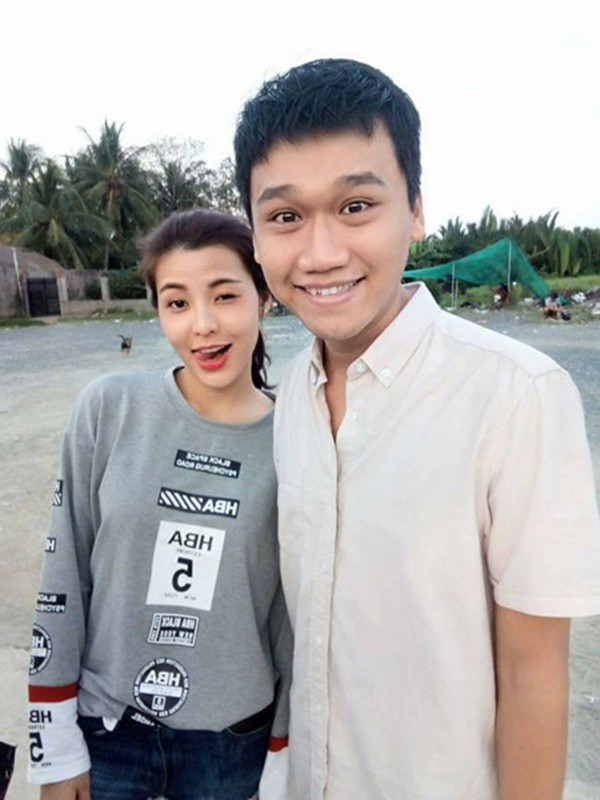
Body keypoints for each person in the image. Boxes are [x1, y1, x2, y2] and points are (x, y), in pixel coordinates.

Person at [233, 58, 600, 799]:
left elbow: (532, 671)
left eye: (356, 206)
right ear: (257, 234)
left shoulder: (515, 396)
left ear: (417, 210)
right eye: (285, 217)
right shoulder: (293, 394)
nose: (321, 253)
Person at [27, 209, 291, 800]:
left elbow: (293, 619)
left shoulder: (299, 437)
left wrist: (284, 751)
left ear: (264, 296)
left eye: (225, 295)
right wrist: (53, 743)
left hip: (231, 750)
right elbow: (62, 575)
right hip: (105, 737)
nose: (203, 325)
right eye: (177, 303)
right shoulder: (109, 408)